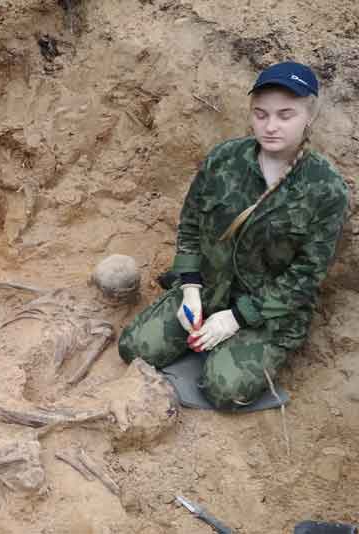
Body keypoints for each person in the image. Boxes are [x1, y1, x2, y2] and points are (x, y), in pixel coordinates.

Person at [118, 62, 349, 409]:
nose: (270, 126)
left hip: (268, 310)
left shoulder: (326, 189)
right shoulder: (224, 159)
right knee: (134, 349)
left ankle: (240, 352)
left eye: (285, 115)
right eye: (261, 114)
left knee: (224, 389)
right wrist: (191, 287)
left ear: (309, 115)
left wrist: (237, 318)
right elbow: (191, 223)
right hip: (210, 288)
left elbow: (305, 277)